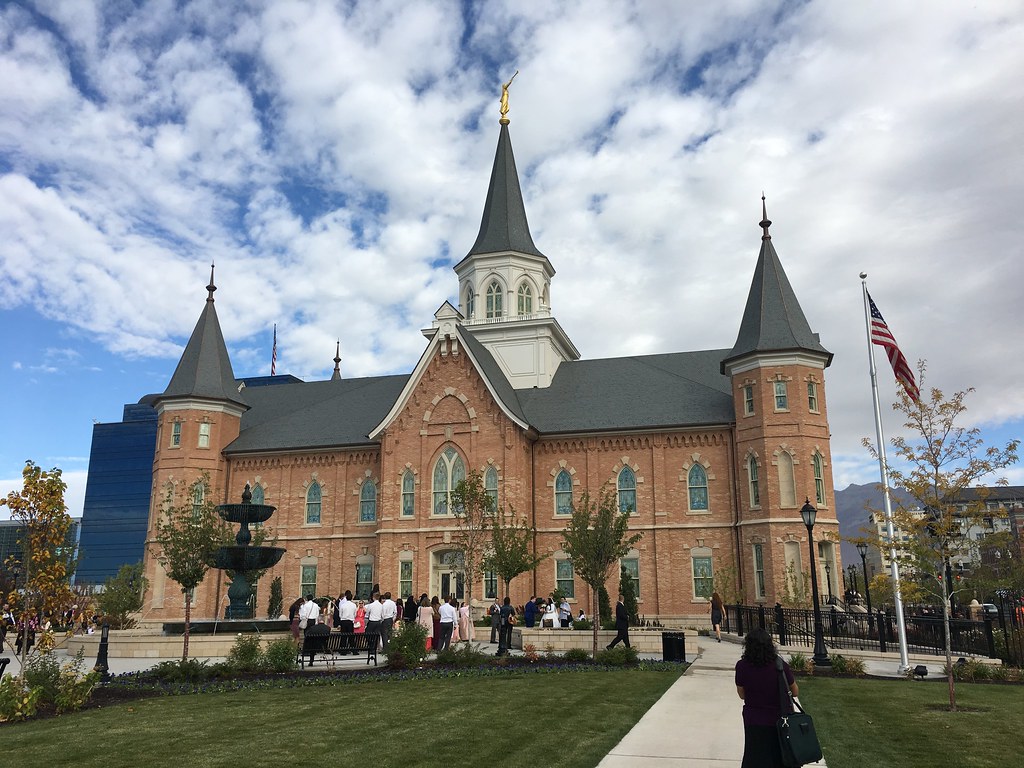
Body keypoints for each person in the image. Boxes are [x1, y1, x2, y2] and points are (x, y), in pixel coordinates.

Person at [735, 628, 798, 768]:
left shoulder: (742, 666)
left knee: (755, 756)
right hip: (780, 719)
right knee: (781, 757)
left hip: (754, 719)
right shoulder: (780, 665)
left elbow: (741, 694)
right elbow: (794, 691)